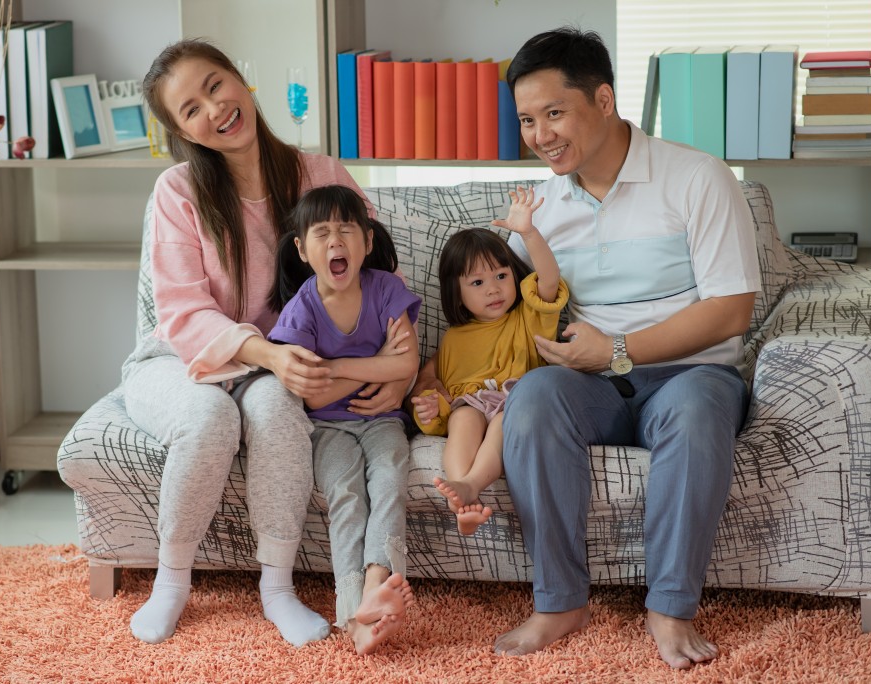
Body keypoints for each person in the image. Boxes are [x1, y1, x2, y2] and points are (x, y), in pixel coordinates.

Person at [411, 28, 760, 669]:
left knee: (695, 411)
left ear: (603, 99)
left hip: (691, 374)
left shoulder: (697, 178)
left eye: (554, 113)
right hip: (589, 385)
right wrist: (428, 375)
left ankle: (670, 607)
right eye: (527, 120)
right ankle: (559, 602)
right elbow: (498, 314)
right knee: (534, 396)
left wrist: (618, 349)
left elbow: (732, 310)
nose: (540, 134)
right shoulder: (540, 209)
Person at [126, 39, 409, 647]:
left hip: (270, 369)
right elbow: (181, 312)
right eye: (191, 109)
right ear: (183, 132)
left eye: (215, 85)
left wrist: (401, 372)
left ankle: (277, 589)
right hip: (179, 359)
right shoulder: (179, 191)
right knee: (208, 418)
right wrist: (269, 354)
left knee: (279, 411)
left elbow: (383, 275)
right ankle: (171, 581)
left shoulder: (321, 174)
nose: (214, 109)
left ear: (239, 78)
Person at [268, 184, 420, 655]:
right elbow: (312, 396)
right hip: (327, 428)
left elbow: (405, 363)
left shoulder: (385, 289)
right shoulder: (302, 309)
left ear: (367, 241)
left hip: (382, 418)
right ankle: (353, 616)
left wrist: (335, 369)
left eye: (346, 230)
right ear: (302, 249)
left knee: (390, 479)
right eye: (322, 233)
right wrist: (376, 362)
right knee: (347, 496)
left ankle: (376, 585)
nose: (335, 241)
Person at [409, 189, 569, 536]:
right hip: (471, 405)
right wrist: (429, 406)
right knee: (463, 419)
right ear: (457, 294)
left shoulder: (527, 318)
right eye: (478, 282)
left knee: (500, 422)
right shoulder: (453, 340)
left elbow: (549, 280)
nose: (493, 289)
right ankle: (460, 496)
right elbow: (439, 395)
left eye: (501, 276)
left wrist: (528, 232)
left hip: (515, 404)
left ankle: (471, 485)